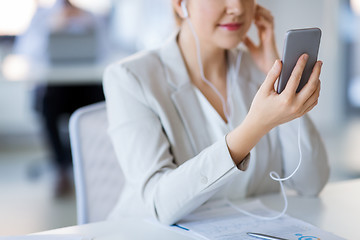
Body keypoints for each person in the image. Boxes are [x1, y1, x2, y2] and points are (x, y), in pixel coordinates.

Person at [103, 0, 329, 225]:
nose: (237, 8)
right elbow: (159, 203)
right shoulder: (130, 78)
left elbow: (311, 183)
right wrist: (255, 126)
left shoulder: (263, 69)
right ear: (181, 4)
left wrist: (285, 85)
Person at [13, 0, 106, 197]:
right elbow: (25, 51)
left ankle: (86, 163)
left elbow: (106, 50)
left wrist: (86, 25)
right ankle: (61, 167)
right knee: (49, 104)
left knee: (101, 103)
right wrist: (53, 27)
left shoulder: (90, 16)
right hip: (55, 88)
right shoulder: (41, 17)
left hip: (86, 87)